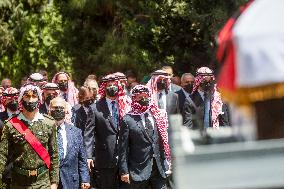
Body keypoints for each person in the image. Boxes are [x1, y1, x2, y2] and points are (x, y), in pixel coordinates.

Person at [0, 84, 59, 188]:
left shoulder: (49, 123)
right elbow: (2, 155)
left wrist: (54, 183)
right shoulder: (11, 124)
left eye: (34, 96)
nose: (30, 100)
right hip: (18, 182)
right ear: (21, 99)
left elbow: (54, 155)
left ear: (39, 99)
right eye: (27, 96)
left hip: (43, 181)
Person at [118, 85, 170, 189]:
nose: (144, 99)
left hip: (159, 168)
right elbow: (123, 149)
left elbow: (163, 141)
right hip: (138, 170)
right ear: (134, 99)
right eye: (140, 97)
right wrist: (124, 171)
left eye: (146, 96)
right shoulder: (127, 119)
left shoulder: (157, 115)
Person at [84, 74, 130, 189]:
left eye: (115, 85)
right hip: (105, 158)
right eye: (109, 85)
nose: (112, 87)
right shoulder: (95, 108)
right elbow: (89, 134)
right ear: (104, 87)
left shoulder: (126, 104)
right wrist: (88, 156)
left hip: (126, 157)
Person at [49, 97, 90, 189]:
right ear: (49, 110)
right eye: (55, 108)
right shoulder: (44, 131)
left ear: (66, 110)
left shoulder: (76, 132)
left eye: (61, 108)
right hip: (50, 181)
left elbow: (82, 159)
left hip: (71, 181)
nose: (58, 110)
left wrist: (85, 179)